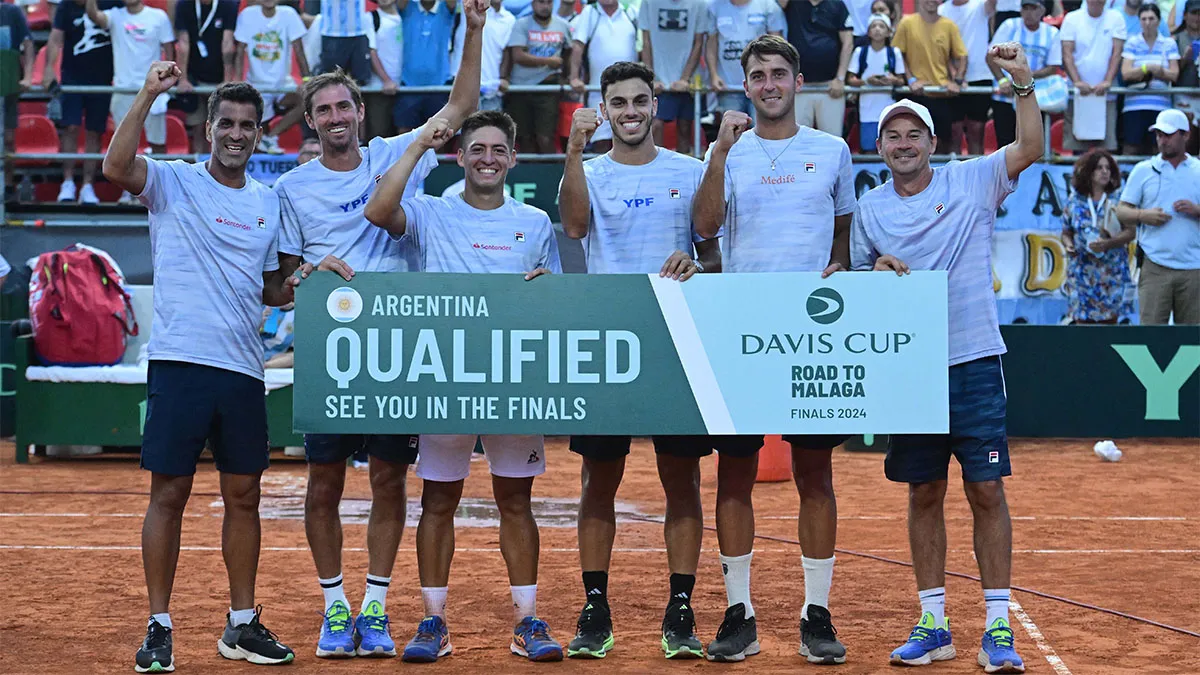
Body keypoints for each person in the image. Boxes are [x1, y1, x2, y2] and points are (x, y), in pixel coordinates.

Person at [270, 0, 486, 659]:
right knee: (324, 482)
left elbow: (459, 106)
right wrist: (304, 275)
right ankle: (335, 607)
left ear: (361, 113)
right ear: (311, 122)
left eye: (344, 107)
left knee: (391, 479)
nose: (336, 118)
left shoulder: (398, 152)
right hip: (330, 352)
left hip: (395, 348)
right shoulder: (293, 188)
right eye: (324, 111)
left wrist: (473, 30)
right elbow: (279, 284)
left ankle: (375, 604)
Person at [850, 42, 1045, 674]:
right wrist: (873, 267)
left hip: (973, 359)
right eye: (891, 136)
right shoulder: (871, 208)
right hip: (908, 370)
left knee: (986, 488)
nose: (903, 144)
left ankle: (996, 627)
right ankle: (933, 622)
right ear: (881, 149)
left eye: (913, 134)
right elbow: (851, 277)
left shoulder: (973, 178)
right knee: (924, 490)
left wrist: (1022, 87)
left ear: (932, 143)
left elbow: (1030, 149)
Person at [102, 63, 301, 673]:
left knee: (244, 495)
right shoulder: (172, 182)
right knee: (170, 493)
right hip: (181, 361)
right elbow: (114, 168)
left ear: (259, 134)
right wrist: (148, 93)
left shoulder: (270, 204)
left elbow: (272, 289)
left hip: (243, 366)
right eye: (227, 124)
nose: (237, 134)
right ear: (208, 128)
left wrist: (304, 284)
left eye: (248, 126)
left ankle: (241, 624)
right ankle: (159, 624)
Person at [363, 109, 565, 663]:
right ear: (460, 156)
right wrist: (418, 145)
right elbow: (379, 209)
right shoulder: (431, 212)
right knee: (438, 499)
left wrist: (549, 289)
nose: (488, 158)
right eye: (478, 148)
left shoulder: (535, 222)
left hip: (513, 380)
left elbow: (556, 301)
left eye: (499, 150)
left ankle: (526, 621)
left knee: (516, 501)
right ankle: (434, 622)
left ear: (514, 159)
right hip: (443, 378)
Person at [693, 34, 853, 665]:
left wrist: (840, 268)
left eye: (778, 74)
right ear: (746, 84)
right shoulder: (727, 151)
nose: (768, 84)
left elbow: (843, 239)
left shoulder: (833, 150)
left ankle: (817, 614)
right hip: (742, 330)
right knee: (734, 475)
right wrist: (717, 153)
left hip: (812, 336)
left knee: (816, 474)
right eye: (757, 74)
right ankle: (741, 613)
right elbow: (705, 227)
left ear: (797, 81)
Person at [556, 61, 720, 661]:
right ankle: (595, 607)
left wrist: (696, 265)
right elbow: (573, 227)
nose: (630, 111)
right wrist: (575, 148)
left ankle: (681, 609)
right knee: (599, 480)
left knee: (683, 482)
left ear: (656, 106)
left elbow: (711, 247)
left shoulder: (690, 169)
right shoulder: (590, 170)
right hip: (608, 346)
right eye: (618, 102)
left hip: (677, 343)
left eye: (639, 101)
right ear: (605, 107)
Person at [1116, 108, 1200, 324]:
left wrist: (1197, 211)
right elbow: (1121, 211)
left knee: (1193, 338)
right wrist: (1144, 215)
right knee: (1151, 334)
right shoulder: (1143, 170)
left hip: (1194, 267)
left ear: (1186, 135)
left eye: (1169, 135)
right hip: (1155, 265)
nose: (1162, 140)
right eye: (1159, 135)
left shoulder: (1198, 170)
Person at [43, 0, 118, 204]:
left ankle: (87, 185)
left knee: (94, 131)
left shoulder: (113, 3)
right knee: (71, 128)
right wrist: (49, 68)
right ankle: (67, 182)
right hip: (72, 77)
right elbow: (56, 37)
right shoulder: (66, 6)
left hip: (103, 78)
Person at [1062, 148, 1136, 323]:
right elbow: (1066, 231)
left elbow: (1131, 232)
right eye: (1099, 168)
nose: (1104, 172)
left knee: (1109, 327)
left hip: (1111, 272)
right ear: (1088, 172)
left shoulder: (1120, 200)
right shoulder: (1074, 200)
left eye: (1108, 168)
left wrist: (1108, 244)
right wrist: (1068, 245)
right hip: (1082, 271)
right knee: (1082, 326)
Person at [234, 0, 311, 154]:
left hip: (283, 85)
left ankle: (270, 136)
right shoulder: (247, 15)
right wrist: (237, 81)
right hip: (256, 87)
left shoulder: (289, 14)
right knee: (255, 143)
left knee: (308, 100)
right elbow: (240, 51)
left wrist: (307, 80)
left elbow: (299, 49)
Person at [892, 0, 968, 153]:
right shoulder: (906, 23)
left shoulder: (949, 25)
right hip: (915, 96)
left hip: (940, 95)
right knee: (913, 146)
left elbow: (962, 56)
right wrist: (911, 79)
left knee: (941, 146)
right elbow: (898, 55)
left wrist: (957, 81)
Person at [568, 0, 640, 151]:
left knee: (631, 138)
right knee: (601, 141)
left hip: (631, 93)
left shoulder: (631, 12)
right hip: (599, 92)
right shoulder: (589, 12)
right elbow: (577, 46)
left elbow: (644, 45)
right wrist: (574, 77)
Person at [638, 0, 708, 154]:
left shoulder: (700, 4)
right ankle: (656, 171)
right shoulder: (648, 2)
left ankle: (681, 174)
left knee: (685, 129)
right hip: (659, 80)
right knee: (655, 126)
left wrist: (684, 78)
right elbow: (646, 41)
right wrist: (651, 78)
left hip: (688, 81)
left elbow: (698, 43)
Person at [989, 0, 1061, 148]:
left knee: (1033, 146)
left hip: (1034, 98)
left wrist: (1022, 76)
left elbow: (1053, 67)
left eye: (1033, 8)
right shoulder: (1009, 26)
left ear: (1042, 11)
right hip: (1005, 97)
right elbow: (990, 56)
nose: (1029, 13)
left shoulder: (1051, 33)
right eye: (1025, 8)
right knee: (1005, 145)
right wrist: (1002, 80)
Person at [502, 0, 571, 153]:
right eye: (541, 2)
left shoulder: (562, 25)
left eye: (548, 2)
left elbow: (569, 52)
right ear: (533, 4)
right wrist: (549, 61)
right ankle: (531, 175)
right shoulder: (521, 24)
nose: (545, 6)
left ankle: (552, 174)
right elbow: (518, 55)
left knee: (545, 137)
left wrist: (568, 76)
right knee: (524, 137)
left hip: (548, 88)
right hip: (521, 87)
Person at [779, 0, 854, 136]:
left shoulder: (837, 5)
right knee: (796, 140)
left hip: (830, 86)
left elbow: (848, 43)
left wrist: (840, 78)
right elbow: (780, 4)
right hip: (798, 87)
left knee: (832, 140)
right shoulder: (792, 3)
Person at [1060, 0, 1126, 151]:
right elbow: (1067, 54)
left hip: (1106, 94)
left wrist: (1107, 81)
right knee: (1076, 148)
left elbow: (1117, 54)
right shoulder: (1072, 18)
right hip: (1076, 94)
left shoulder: (1116, 18)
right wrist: (1077, 82)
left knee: (1105, 149)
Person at [174, 0, 238, 152]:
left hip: (218, 76)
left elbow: (228, 44)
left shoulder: (228, 4)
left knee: (222, 129)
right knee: (198, 130)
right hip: (194, 77)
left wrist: (227, 81)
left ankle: (221, 171)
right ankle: (197, 172)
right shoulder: (184, 4)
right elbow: (183, 43)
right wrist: (182, 80)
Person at [705, 0, 785, 119]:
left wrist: (774, 78)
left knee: (765, 132)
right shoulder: (714, 7)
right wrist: (714, 75)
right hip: (728, 86)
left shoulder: (768, 5)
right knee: (731, 132)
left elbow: (778, 44)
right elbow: (711, 43)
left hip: (761, 85)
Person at [1119, 3, 1180, 154]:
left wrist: (1159, 71)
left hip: (1160, 105)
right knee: (1131, 147)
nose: (1147, 23)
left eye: (1151, 18)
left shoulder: (1169, 43)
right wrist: (1146, 68)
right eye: (1143, 19)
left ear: (1159, 21)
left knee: (1158, 148)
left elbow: (1174, 74)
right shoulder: (1132, 42)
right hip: (1134, 105)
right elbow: (1126, 72)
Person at [938, 0, 996, 155]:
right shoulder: (941, 10)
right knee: (954, 132)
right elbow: (942, 47)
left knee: (976, 131)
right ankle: (955, 175)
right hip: (950, 78)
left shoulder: (980, 5)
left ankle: (977, 176)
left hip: (980, 76)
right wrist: (955, 75)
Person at [847, 13, 907, 153]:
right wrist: (867, 81)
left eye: (881, 26)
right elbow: (850, 79)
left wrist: (891, 81)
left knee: (890, 149)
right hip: (867, 109)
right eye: (873, 26)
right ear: (868, 32)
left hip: (888, 109)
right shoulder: (860, 52)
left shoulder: (894, 53)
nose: (877, 29)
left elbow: (901, 80)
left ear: (888, 32)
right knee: (869, 148)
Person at [396, 0, 457, 134]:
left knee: (439, 134)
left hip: (439, 85)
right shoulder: (408, 8)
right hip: (409, 85)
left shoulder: (445, 9)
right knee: (404, 133)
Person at [0, 1, 33, 202]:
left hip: (7, 82)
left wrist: (28, 75)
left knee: (8, 139)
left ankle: (8, 185)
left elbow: (28, 44)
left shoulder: (12, 12)